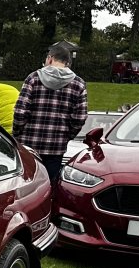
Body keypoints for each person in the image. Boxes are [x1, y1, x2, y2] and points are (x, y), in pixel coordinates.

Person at [12, 42, 88, 185]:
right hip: (56, 146)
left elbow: (20, 111)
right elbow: (80, 117)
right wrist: (67, 135)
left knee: (27, 185)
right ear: (67, 63)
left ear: (50, 58)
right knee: (49, 185)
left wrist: (17, 133)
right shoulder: (79, 84)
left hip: (29, 144)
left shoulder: (33, 78)